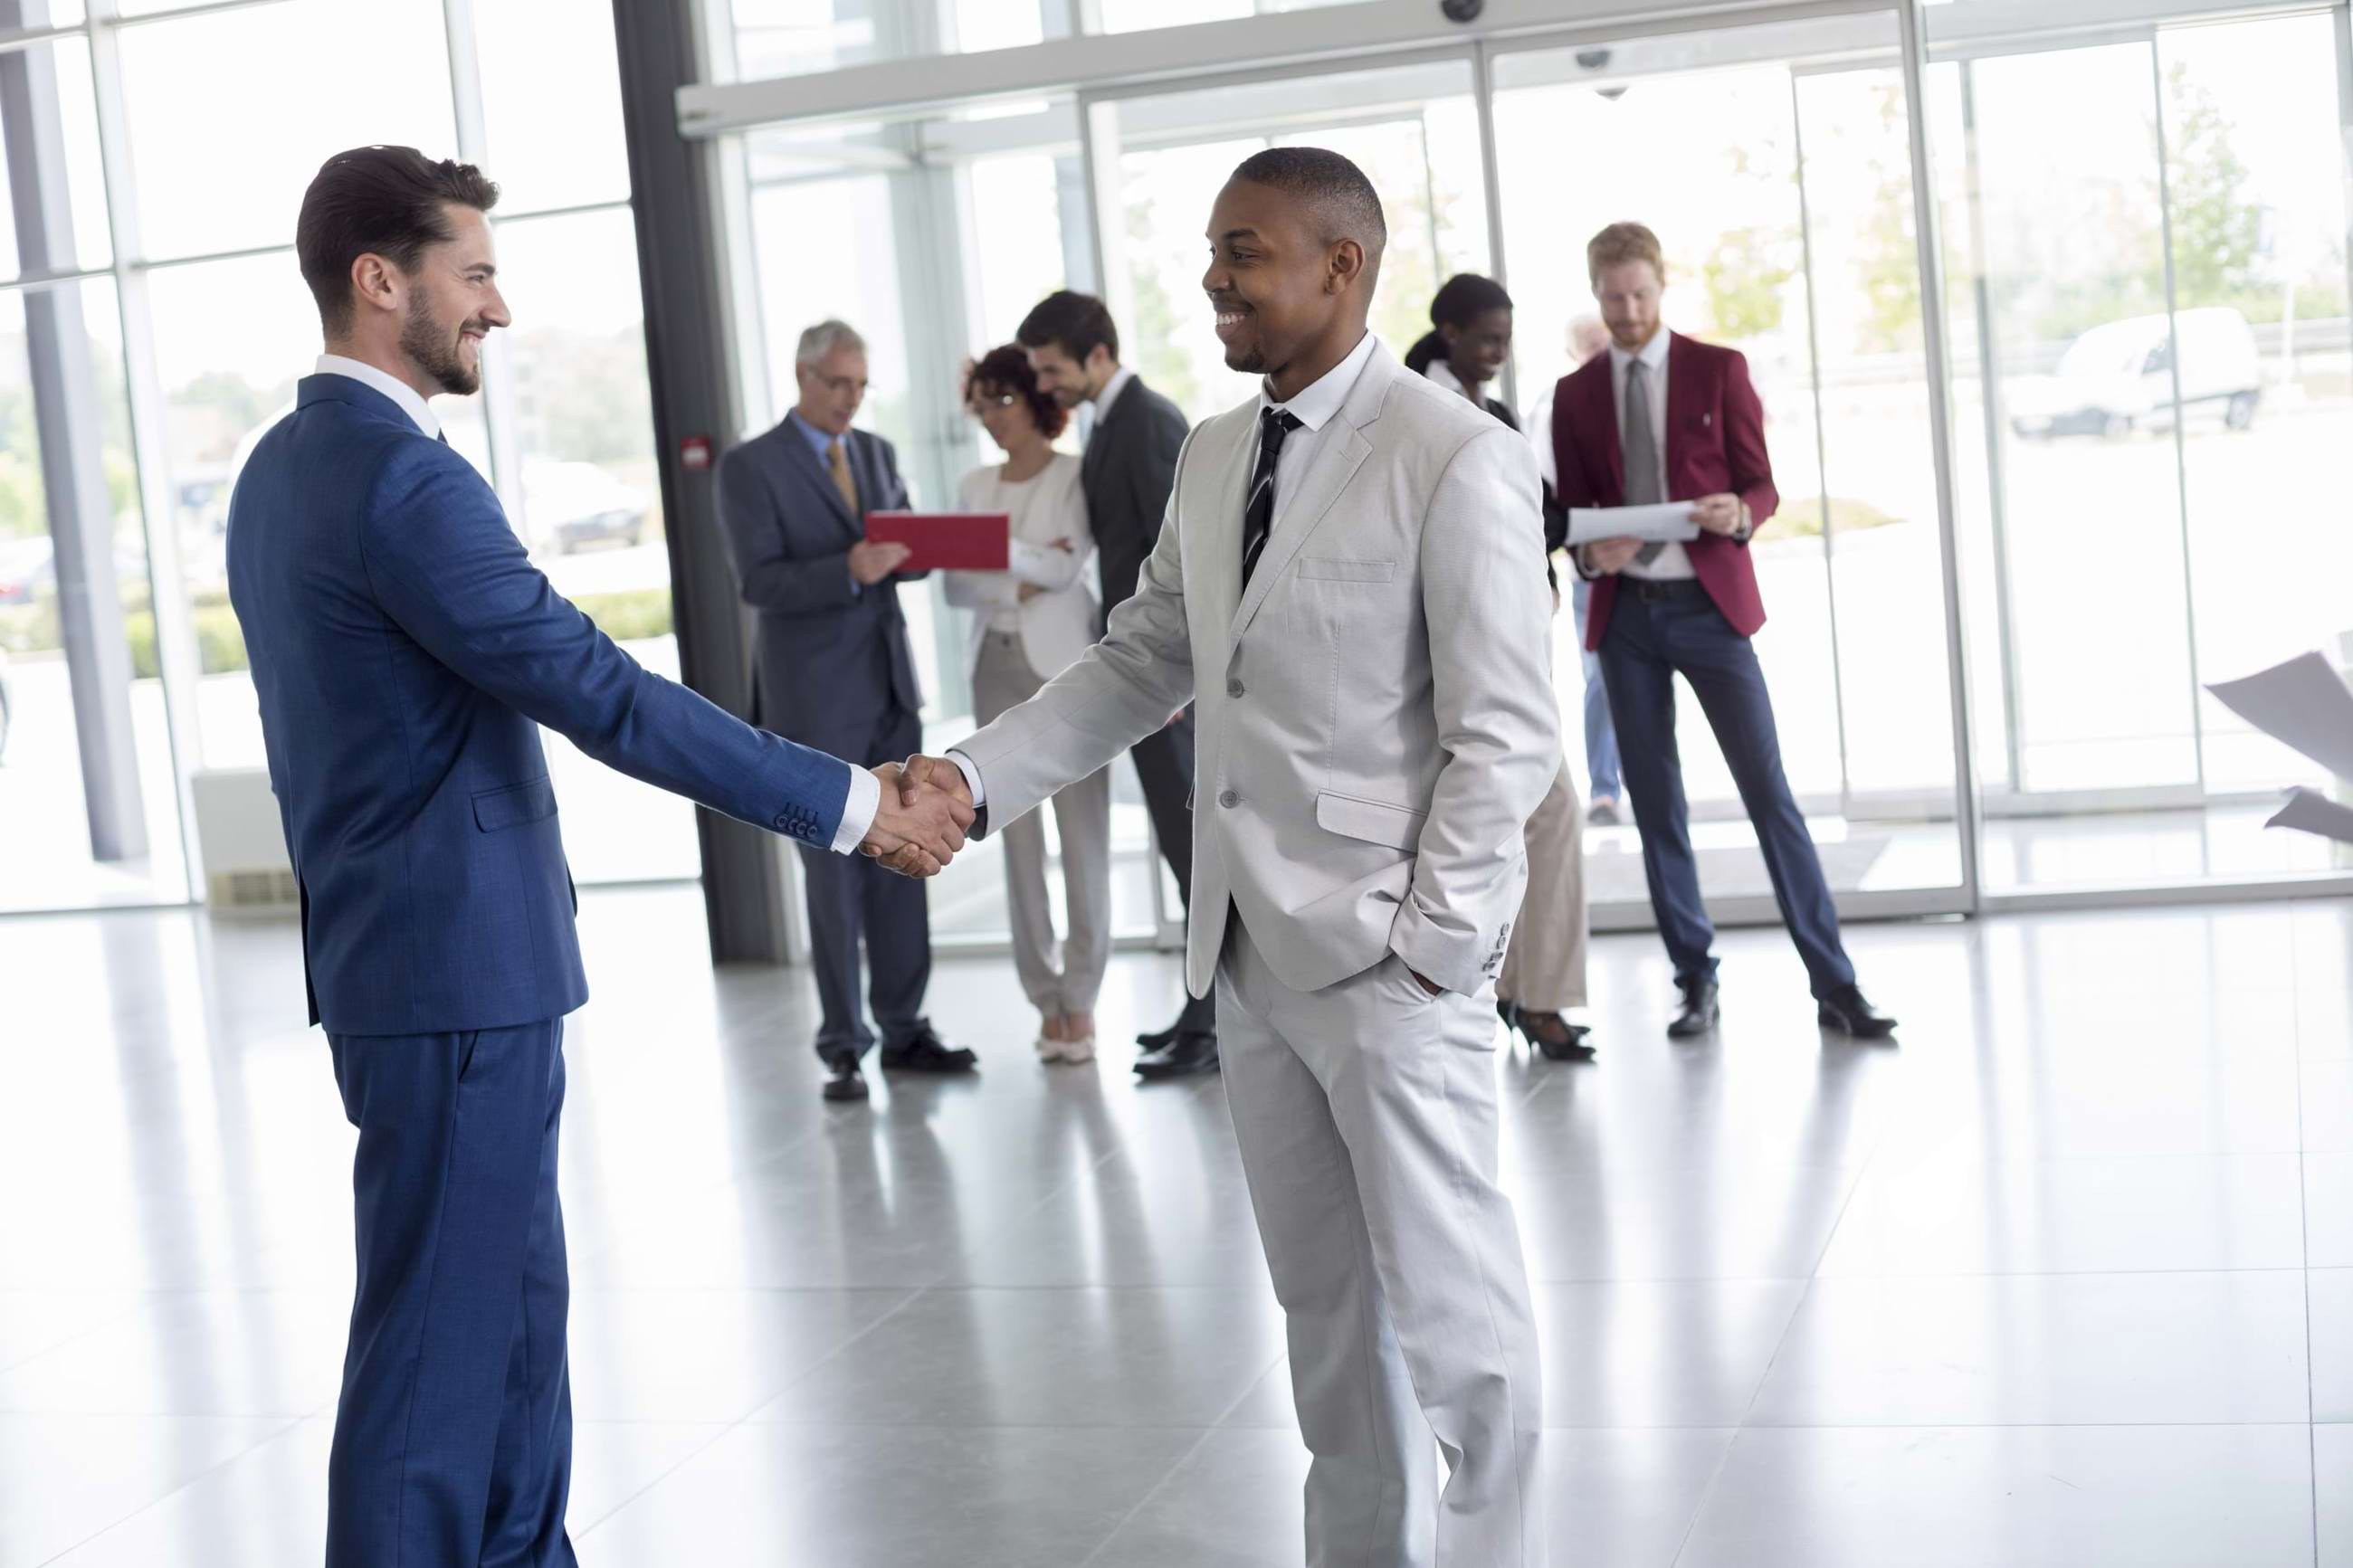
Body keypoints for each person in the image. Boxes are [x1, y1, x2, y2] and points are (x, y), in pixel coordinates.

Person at [227, 147, 967, 1568]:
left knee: (505, 1322)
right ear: (384, 282)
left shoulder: (282, 469)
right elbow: (600, 690)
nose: (499, 308)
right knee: (439, 1355)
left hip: (430, 961)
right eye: (479, 272)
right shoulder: (399, 484)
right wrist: (852, 806)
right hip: (449, 968)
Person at [906, 147, 1557, 1567]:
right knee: (1326, 1334)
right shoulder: (1213, 452)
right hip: (1249, 963)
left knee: (1463, 1337)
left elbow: (1508, 737)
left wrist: (1432, 953)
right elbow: (1143, 661)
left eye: (1245, 251)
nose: (1214, 276)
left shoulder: (1456, 455)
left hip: (1390, 965)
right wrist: (970, 774)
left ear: (1342, 265)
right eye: (1212, 248)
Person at [1553, 222, 1897, 1041]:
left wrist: (1742, 512)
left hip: (1711, 611)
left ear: (1661, 286)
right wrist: (1592, 553)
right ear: (1596, 294)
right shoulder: (1576, 395)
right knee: (1657, 806)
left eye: (1639, 295)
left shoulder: (1719, 370)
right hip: (1626, 619)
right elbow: (1568, 517)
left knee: (1769, 795)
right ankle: (1693, 980)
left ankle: (1834, 983)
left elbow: (1761, 487)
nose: (1628, 311)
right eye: (1613, 298)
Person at [716, 318, 979, 1102]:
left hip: (890, 692)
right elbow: (759, 583)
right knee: (832, 873)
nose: (850, 401)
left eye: (861, 387)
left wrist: (923, 548)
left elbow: (896, 551)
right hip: (813, 703)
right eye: (838, 385)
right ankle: (842, 1045)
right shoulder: (748, 467)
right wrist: (848, 568)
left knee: (908, 856)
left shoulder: (875, 453)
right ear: (803, 376)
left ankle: (904, 1028)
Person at [1016, 290, 1219, 1079]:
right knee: (1180, 849)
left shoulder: (1147, 421)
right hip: (1145, 676)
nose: (1046, 384)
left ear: (1096, 355)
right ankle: (1202, 1012)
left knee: (1193, 852)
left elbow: (1191, 559)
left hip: (1166, 683)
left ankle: (1214, 1022)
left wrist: (1176, 684)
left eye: (1052, 368)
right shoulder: (1114, 422)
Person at [1406, 274, 1595, 1062]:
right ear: (1447, 331)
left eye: (1505, 337)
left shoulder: (1495, 413)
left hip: (1511, 635)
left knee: (1547, 812)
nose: (1497, 351)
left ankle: (1530, 993)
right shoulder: (1415, 410)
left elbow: (1541, 509)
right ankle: (1506, 996)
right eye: (1485, 337)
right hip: (1444, 646)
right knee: (1538, 810)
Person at [943, 346, 1111, 1065]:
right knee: (1014, 846)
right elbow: (955, 584)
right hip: (994, 667)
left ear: (1036, 402)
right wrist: (1020, 564)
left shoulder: (1075, 474)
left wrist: (995, 551)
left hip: (1066, 670)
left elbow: (1067, 566)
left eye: (1001, 401)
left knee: (1083, 842)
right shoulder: (974, 481)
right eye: (980, 403)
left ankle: (1082, 999)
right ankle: (1045, 999)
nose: (990, 417)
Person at [1529, 314, 1623, 821]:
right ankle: (1606, 789)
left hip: (1646, 563)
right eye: (1588, 344)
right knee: (1600, 678)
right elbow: (1547, 498)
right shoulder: (1556, 406)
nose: (1599, 349)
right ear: (1573, 354)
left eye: (1603, 340)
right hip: (1591, 563)